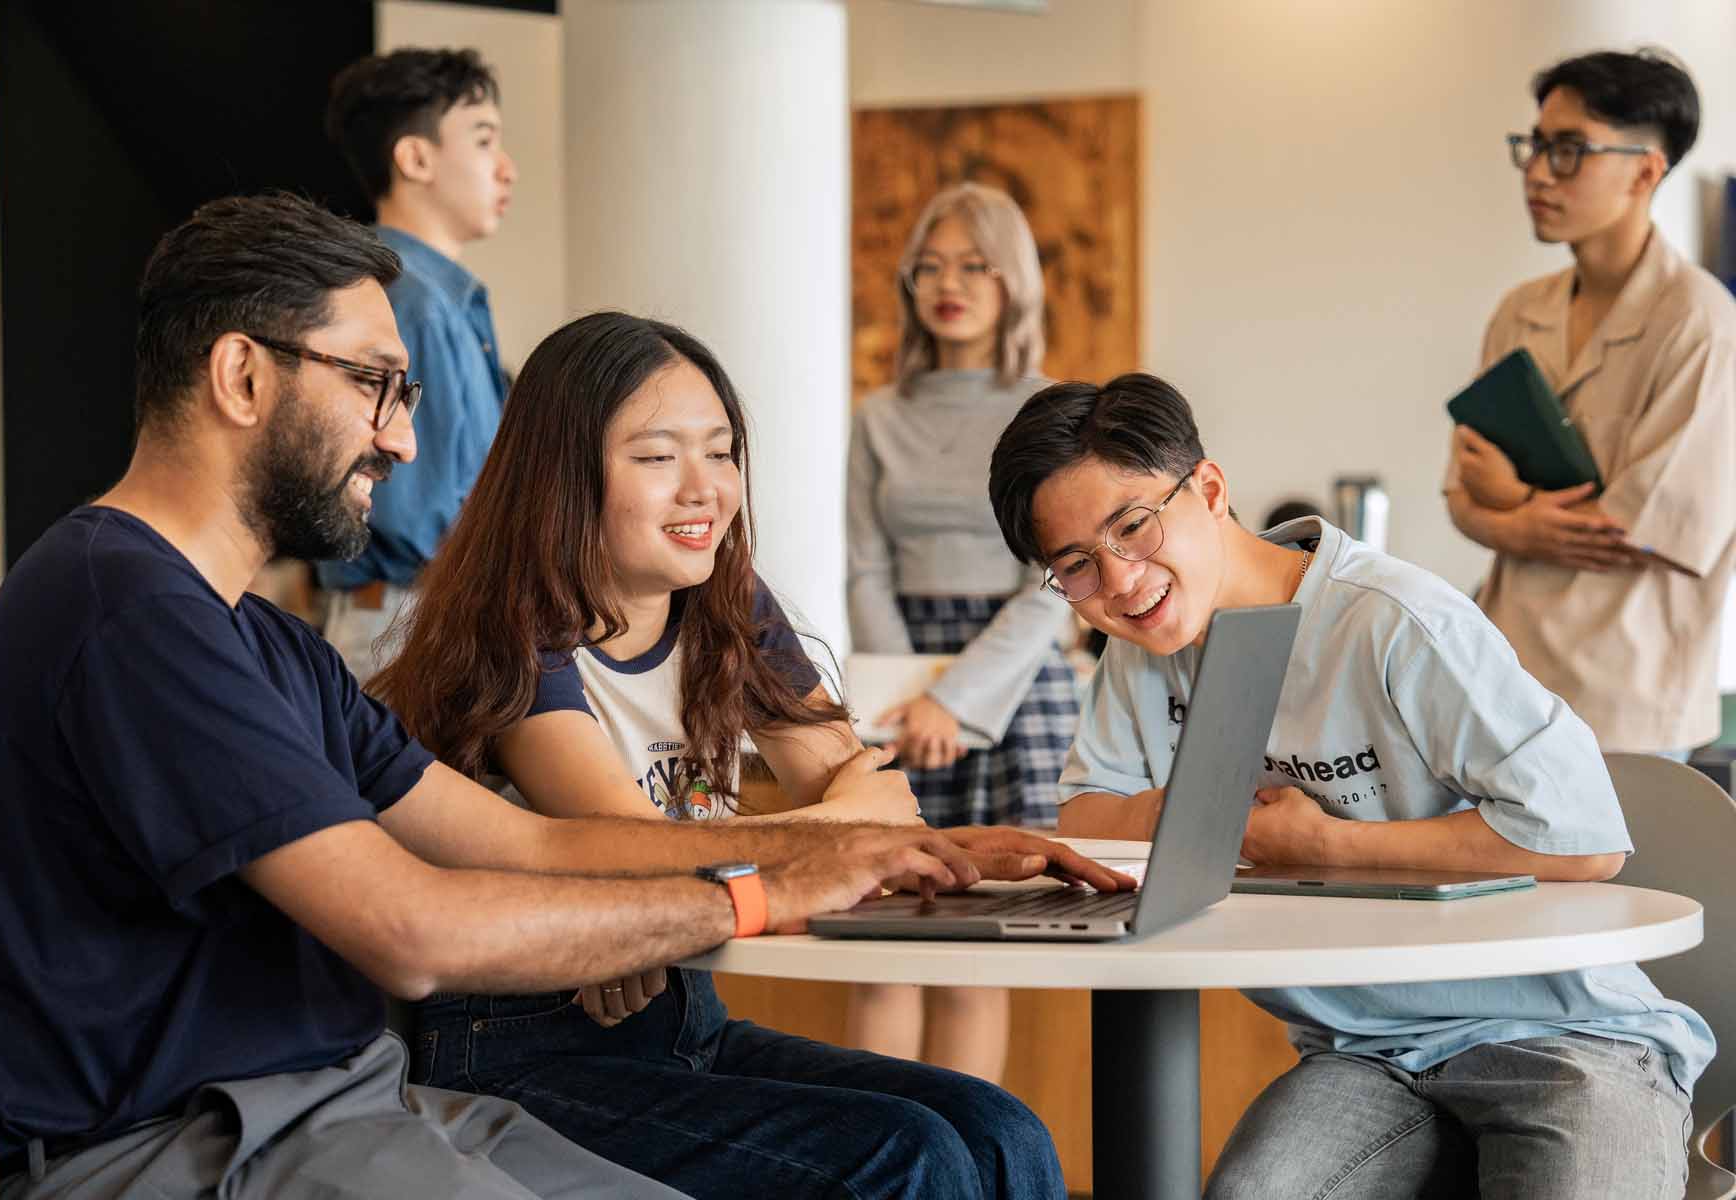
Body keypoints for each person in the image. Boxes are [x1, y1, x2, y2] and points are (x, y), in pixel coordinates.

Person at [0, 193, 1101, 1199]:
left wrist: (858, 849)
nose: (407, 441)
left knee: (985, 1137)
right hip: (196, 1141)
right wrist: (769, 887)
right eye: (377, 385)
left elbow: (529, 841)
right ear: (240, 376)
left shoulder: (255, 638)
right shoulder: (128, 612)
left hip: (325, 1099)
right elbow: (413, 931)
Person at [375, 310, 1128, 1200]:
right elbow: (616, 844)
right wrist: (816, 839)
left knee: (1001, 1132)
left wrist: (729, 872)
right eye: (657, 458)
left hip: (676, 1011)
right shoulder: (515, 624)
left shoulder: (728, 603)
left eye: (722, 451)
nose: (704, 489)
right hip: (515, 1042)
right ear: (562, 474)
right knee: (905, 1157)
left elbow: (881, 804)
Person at [988, 374, 1713, 1199]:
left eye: (1133, 527)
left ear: (1211, 490)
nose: (1118, 582)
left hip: (1567, 1037)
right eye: (1076, 566)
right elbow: (1088, 818)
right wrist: (1208, 810)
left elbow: (1585, 841)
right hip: (1367, 1053)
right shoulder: (1141, 652)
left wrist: (1325, 844)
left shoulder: (1391, 619)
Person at [843, 182, 1074, 1083]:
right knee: (883, 938)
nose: (951, 284)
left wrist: (956, 699)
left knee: (979, 950)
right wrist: (907, 700)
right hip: (898, 684)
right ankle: (876, 1165)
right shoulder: (877, 416)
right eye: (931, 265)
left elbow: (1055, 579)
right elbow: (865, 565)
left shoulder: (1049, 407)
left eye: (975, 265)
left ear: (1012, 280)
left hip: (1011, 688)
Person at [1446, 48, 1736, 759]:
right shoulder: (1519, 312)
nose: (1538, 172)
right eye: (1537, 145)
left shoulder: (1701, 322)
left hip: (1628, 705)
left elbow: (1636, 532)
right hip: (1504, 684)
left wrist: (1510, 501)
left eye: (1570, 150)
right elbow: (1459, 495)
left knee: (1620, 876)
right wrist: (1506, 511)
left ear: (1645, 170)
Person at [317, 47, 517, 679]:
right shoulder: (410, 302)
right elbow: (407, 515)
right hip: (418, 623)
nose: (506, 169)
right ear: (415, 157)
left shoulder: (430, 297)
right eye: (484, 141)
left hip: (415, 618)